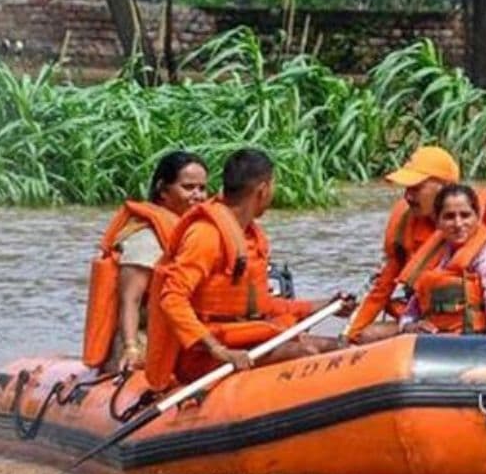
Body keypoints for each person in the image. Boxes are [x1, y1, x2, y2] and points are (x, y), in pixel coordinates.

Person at [144, 148, 354, 390]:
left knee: (338, 347)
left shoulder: (249, 237)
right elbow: (172, 299)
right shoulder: (206, 235)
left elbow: (261, 307)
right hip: (204, 355)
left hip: (244, 339)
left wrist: (325, 305)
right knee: (306, 352)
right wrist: (218, 350)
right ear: (263, 190)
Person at [82, 151, 208, 373]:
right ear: (163, 190)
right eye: (188, 187)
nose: (198, 195)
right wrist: (131, 347)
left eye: (202, 188)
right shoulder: (146, 237)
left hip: (181, 330)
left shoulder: (196, 234)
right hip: (143, 335)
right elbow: (130, 300)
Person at [343, 145, 460, 343]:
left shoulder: (472, 225)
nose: (408, 196)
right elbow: (381, 287)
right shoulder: (405, 223)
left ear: (444, 188)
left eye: (416, 188)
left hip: (465, 327)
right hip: (422, 319)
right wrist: (348, 337)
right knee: (366, 335)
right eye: (407, 189)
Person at [394, 184, 486, 336]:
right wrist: (410, 327)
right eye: (449, 216)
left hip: (478, 344)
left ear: (477, 217)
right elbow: (410, 312)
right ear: (438, 221)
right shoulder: (435, 258)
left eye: (465, 215)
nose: (458, 224)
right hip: (439, 344)